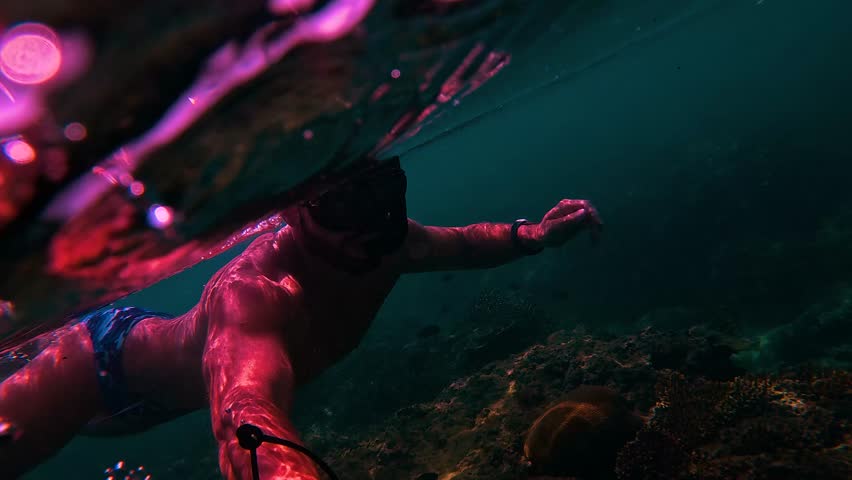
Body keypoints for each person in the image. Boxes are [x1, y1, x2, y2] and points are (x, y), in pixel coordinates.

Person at [0, 156, 602, 479]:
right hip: (94, 366)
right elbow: (246, 413)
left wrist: (533, 235)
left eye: (385, 198)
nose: (372, 226)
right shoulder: (254, 292)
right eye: (346, 206)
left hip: (153, 396)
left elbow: (467, 243)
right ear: (292, 215)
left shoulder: (390, 244)